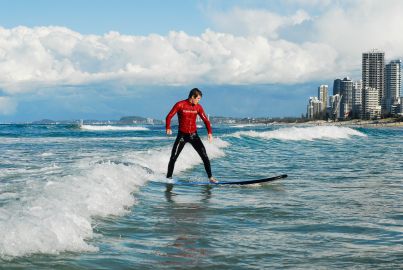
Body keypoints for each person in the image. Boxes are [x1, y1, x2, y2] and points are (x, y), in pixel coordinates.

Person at [165, 88, 218, 183]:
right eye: (198, 98)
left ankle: (210, 178)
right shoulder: (180, 104)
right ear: (192, 97)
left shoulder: (198, 107)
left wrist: (209, 133)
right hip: (182, 135)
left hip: (194, 135)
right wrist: (168, 128)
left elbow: (206, 120)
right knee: (173, 157)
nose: (199, 101)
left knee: (204, 156)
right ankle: (168, 178)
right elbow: (169, 116)